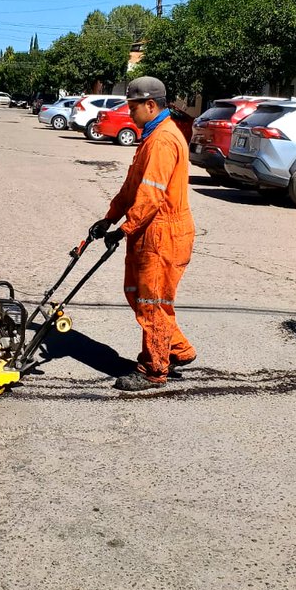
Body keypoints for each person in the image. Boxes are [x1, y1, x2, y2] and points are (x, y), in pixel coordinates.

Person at [90, 75, 195, 392]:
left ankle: (154, 370)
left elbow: (152, 196)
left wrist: (124, 229)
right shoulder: (152, 136)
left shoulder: (163, 141)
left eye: (133, 107)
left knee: (152, 304)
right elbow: (133, 187)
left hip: (163, 234)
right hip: (150, 231)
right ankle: (176, 350)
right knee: (139, 295)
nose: (130, 113)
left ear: (151, 105)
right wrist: (108, 218)